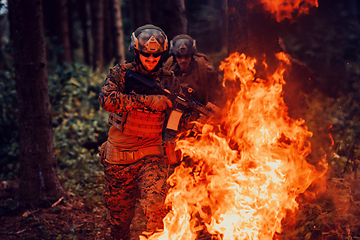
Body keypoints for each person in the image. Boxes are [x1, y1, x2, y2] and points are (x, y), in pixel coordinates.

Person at [98, 24, 181, 240]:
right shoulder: (121, 74)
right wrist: (148, 101)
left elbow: (177, 115)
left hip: (152, 154)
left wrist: (175, 132)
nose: (151, 59)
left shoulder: (170, 80)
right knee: (119, 222)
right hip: (119, 157)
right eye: (146, 55)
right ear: (136, 52)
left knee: (156, 210)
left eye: (156, 56)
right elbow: (106, 100)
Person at [163, 34, 223, 106]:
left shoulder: (205, 71)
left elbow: (219, 97)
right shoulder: (168, 70)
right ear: (174, 56)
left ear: (192, 55)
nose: (183, 60)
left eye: (187, 56)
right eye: (179, 56)